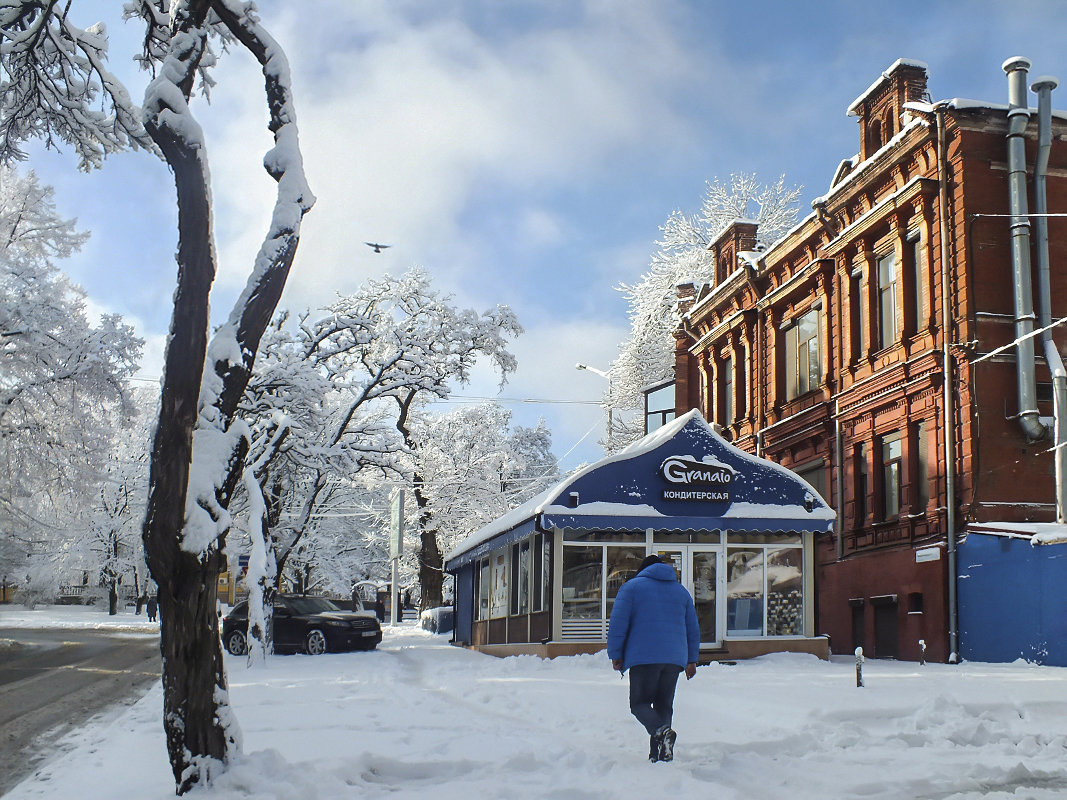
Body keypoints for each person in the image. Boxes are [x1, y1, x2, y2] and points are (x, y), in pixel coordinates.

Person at [607, 554, 699, 764]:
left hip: (643, 657)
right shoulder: (681, 592)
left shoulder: (632, 588)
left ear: (643, 570)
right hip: (674, 659)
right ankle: (658, 753)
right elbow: (692, 629)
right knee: (663, 706)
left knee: (639, 704)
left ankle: (661, 733)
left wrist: (616, 654)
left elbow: (619, 624)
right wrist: (691, 660)